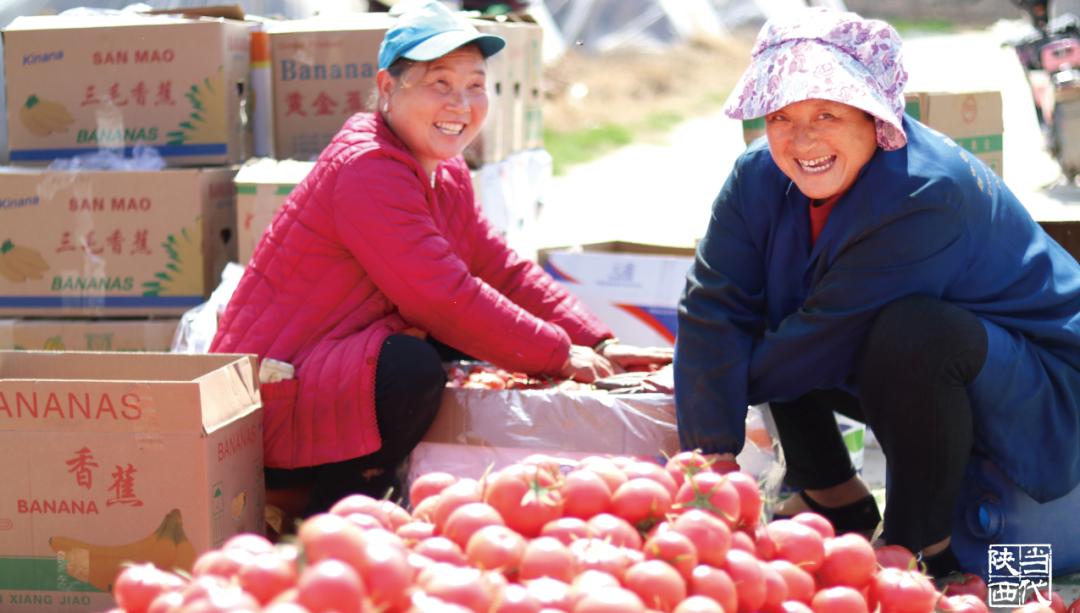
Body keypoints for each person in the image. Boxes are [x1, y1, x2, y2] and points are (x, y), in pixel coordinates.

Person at [212, 1, 670, 521]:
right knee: (412, 369)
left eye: (475, 85)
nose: (461, 104)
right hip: (272, 398)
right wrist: (557, 354)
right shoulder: (367, 168)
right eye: (439, 83)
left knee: (457, 339)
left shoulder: (444, 172)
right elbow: (442, 295)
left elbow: (500, 269)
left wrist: (596, 339)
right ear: (388, 88)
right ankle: (326, 510)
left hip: (329, 362)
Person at [673, 7, 1080, 576]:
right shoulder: (757, 179)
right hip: (932, 383)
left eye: (827, 114)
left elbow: (820, 340)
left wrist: (715, 385)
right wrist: (708, 460)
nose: (802, 139)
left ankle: (920, 546)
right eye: (781, 117)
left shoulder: (926, 193)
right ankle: (835, 497)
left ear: (876, 117)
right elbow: (714, 305)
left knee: (1015, 579)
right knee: (778, 293)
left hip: (1044, 396)